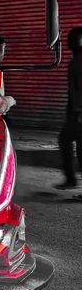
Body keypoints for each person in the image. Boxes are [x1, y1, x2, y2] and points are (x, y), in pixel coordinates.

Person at [56, 27, 82, 189]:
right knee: (65, 140)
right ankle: (70, 179)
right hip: (75, 112)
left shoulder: (79, 61)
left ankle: (71, 180)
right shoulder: (76, 60)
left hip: (79, 113)